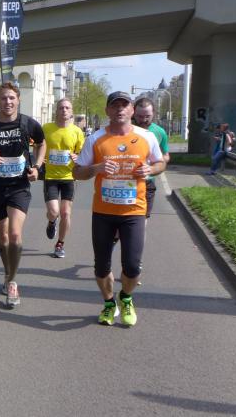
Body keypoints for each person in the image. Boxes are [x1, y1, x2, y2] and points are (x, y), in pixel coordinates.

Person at [73, 91, 165, 327]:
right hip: (103, 212)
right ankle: (108, 302)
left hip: (134, 211)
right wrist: (97, 168)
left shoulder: (146, 137)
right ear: (108, 111)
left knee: (132, 267)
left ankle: (125, 297)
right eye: (115, 105)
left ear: (132, 110)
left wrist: (151, 170)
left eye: (125, 105)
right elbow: (77, 173)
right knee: (101, 266)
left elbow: (160, 162)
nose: (120, 109)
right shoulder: (95, 139)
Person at [0, 82, 46, 308]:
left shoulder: (28, 123)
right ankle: (7, 273)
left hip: (19, 186)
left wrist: (37, 167)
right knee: (3, 237)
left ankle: (12, 281)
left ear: (18, 99)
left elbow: (42, 144)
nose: (8, 102)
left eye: (12, 98)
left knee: (15, 234)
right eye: (4, 98)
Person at [42, 98, 84, 258]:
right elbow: (38, 146)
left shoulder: (77, 131)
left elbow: (82, 154)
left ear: (71, 111)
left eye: (67, 108)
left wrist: (77, 157)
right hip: (50, 176)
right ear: (56, 110)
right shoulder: (46, 128)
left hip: (69, 177)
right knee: (54, 212)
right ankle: (52, 222)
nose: (64, 110)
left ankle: (60, 244)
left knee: (66, 213)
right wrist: (40, 158)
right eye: (61, 108)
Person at [133, 97, 170, 218]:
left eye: (147, 116)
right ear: (133, 113)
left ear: (154, 113)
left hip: (148, 182)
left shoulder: (159, 132)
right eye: (139, 116)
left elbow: (165, 155)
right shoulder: (125, 129)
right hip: (126, 181)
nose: (143, 120)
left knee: (143, 218)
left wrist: (155, 166)